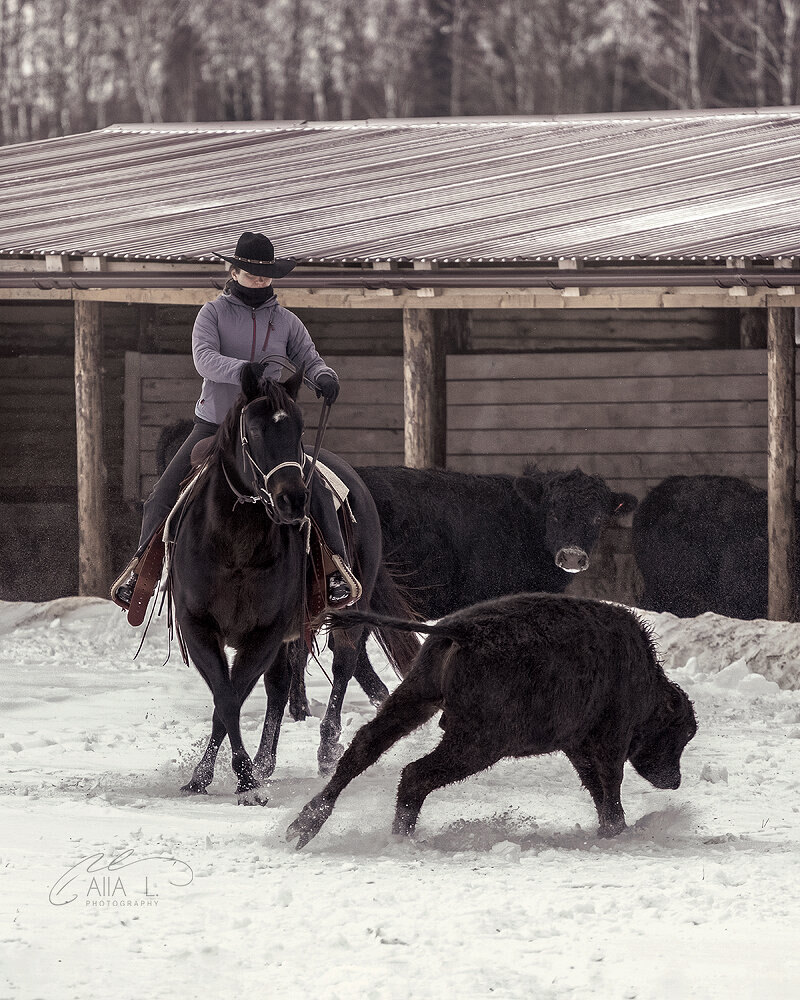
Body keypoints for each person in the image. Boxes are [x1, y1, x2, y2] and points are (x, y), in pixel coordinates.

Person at [111, 231, 356, 609]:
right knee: (162, 495)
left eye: (265, 273)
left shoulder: (286, 321)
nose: (259, 279)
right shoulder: (212, 313)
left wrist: (322, 375)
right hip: (215, 425)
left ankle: (335, 571)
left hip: (268, 429)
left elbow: (307, 355)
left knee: (315, 489)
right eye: (251, 272)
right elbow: (203, 358)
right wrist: (243, 370)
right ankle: (142, 571)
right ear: (234, 270)